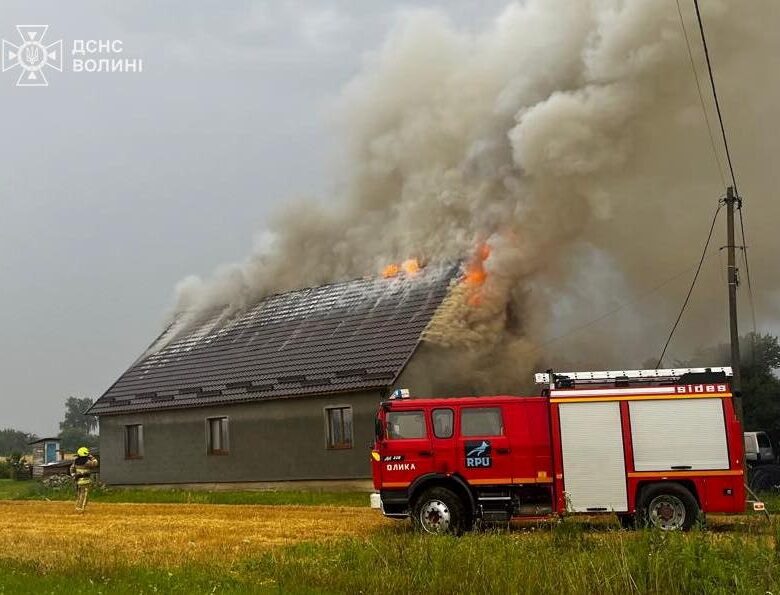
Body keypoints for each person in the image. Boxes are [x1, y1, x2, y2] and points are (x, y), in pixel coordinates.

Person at [69, 447, 98, 513]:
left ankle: (77, 507)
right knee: (85, 495)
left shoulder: (76, 461)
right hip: (86, 481)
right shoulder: (87, 462)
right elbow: (95, 463)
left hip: (78, 481)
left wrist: (73, 476)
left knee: (79, 495)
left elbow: (71, 469)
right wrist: (91, 457)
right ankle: (81, 509)